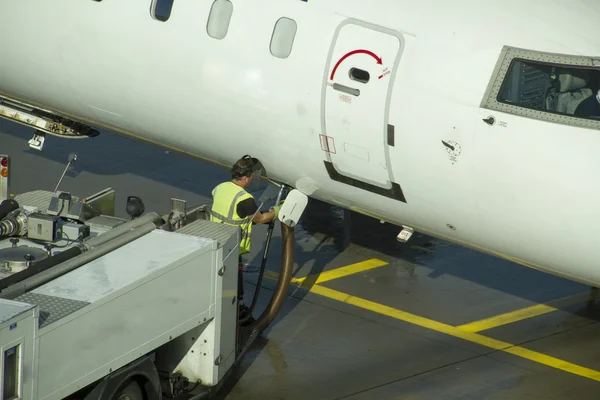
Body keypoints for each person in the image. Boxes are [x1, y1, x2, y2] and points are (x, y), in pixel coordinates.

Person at [208, 155, 281, 317]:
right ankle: (236, 310)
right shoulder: (245, 199)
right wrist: (276, 212)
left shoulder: (220, 187)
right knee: (234, 281)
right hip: (233, 246)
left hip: (215, 239)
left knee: (220, 278)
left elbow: (229, 212)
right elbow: (260, 219)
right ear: (246, 178)